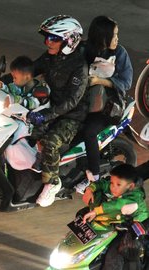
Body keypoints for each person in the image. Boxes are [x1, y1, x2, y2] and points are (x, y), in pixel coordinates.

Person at [0, 15, 88, 207]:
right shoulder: (49, 57)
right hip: (48, 105)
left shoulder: (79, 67)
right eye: (47, 38)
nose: (47, 42)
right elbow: (28, 71)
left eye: (53, 38)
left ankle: (53, 182)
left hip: (71, 115)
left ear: (69, 40)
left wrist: (46, 115)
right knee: (22, 129)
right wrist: (1, 82)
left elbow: (71, 101)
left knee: (49, 142)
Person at [74, 16, 133, 194]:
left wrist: (101, 81)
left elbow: (126, 81)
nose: (117, 39)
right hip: (80, 102)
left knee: (89, 131)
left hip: (106, 107)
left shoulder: (120, 53)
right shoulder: (83, 49)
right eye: (114, 35)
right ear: (102, 36)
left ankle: (95, 176)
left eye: (116, 35)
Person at [81, 164, 148, 270]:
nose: (113, 187)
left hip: (136, 224)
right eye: (112, 183)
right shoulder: (119, 186)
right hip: (119, 219)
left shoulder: (134, 196)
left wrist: (96, 211)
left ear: (130, 186)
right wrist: (90, 189)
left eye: (118, 184)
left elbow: (117, 204)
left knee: (116, 253)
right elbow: (103, 184)